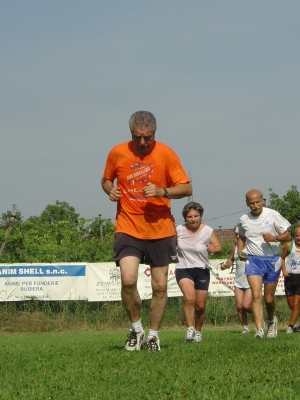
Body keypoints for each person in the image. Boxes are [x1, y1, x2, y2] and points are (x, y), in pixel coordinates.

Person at [101, 111, 192, 351]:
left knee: (160, 286)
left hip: (160, 229)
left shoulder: (166, 153)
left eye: (147, 137)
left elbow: (186, 188)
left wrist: (162, 191)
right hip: (128, 226)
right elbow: (106, 180)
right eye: (137, 137)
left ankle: (153, 336)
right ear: (131, 133)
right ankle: (136, 329)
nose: (142, 142)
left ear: (155, 133)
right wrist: (110, 190)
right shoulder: (117, 152)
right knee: (128, 280)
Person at [236, 189, 291, 339]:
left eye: (258, 202)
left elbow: (288, 236)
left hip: (272, 260)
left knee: (268, 298)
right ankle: (259, 330)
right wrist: (240, 250)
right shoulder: (244, 219)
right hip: (253, 260)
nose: (255, 206)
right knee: (256, 295)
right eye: (252, 203)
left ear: (262, 201)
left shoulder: (272, 215)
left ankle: (271, 320)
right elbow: (241, 236)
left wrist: (274, 238)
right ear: (247, 204)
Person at [175, 201, 222, 343]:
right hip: (183, 268)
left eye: (196, 216)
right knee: (189, 298)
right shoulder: (179, 230)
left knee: (200, 305)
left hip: (202, 269)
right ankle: (189, 329)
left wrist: (213, 249)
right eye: (189, 216)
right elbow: (170, 243)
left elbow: (218, 247)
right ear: (185, 217)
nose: (193, 219)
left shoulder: (207, 230)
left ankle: (198, 330)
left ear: (201, 216)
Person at [220, 227, 252, 334]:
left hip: (250, 281)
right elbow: (231, 260)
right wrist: (225, 265)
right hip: (238, 280)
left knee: (246, 306)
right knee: (239, 306)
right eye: (236, 234)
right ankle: (245, 327)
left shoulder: (251, 246)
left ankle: (260, 316)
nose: (237, 236)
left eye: (239, 234)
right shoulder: (234, 246)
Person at [281, 226, 300, 333]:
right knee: (292, 305)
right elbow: (282, 257)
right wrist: (283, 269)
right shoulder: (289, 245)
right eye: (297, 235)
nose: (299, 238)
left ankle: (290, 327)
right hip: (289, 277)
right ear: (294, 236)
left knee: (297, 304)